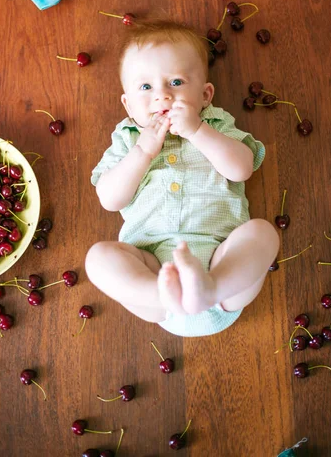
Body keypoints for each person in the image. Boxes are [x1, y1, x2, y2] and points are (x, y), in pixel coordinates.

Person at [85, 19, 279, 337]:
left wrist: (197, 130)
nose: (162, 96)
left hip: (223, 262)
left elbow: (242, 168)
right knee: (98, 259)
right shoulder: (128, 138)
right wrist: (142, 153)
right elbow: (109, 198)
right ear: (128, 104)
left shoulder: (214, 123)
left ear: (205, 95)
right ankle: (164, 295)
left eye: (175, 82)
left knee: (262, 233)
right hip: (152, 270)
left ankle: (208, 288)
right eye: (145, 87)